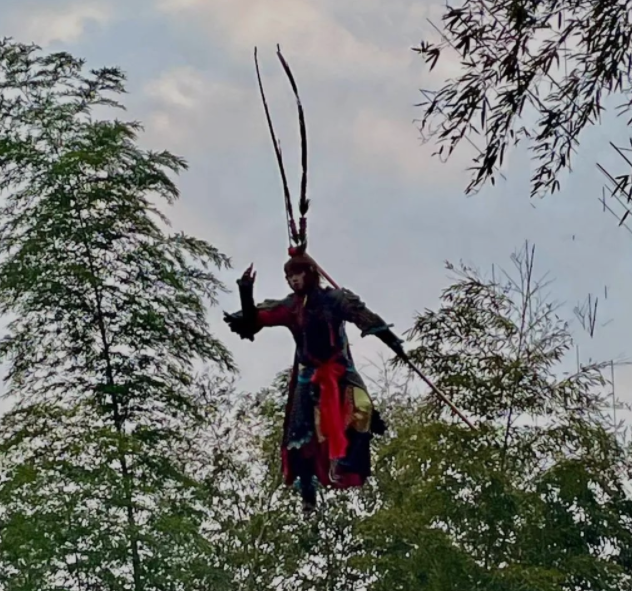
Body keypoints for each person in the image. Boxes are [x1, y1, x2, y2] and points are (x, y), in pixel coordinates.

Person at [223, 250, 404, 515]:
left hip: (341, 369)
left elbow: (364, 317)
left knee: (363, 408)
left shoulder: (335, 299)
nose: (293, 281)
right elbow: (255, 319)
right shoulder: (291, 306)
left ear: (309, 273)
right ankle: (307, 489)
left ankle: (349, 462)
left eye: (297, 275)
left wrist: (392, 341)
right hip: (309, 373)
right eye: (289, 277)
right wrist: (245, 290)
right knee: (301, 434)